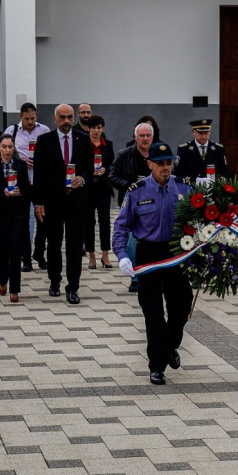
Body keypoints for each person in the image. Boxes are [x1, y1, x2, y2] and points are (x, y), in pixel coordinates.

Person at [114, 144, 193, 385]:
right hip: (148, 254)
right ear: (150, 164)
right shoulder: (136, 190)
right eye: (160, 163)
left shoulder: (184, 188)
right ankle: (156, 366)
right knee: (153, 313)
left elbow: (199, 220)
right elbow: (121, 225)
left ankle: (170, 345)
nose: (165, 167)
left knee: (182, 305)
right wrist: (122, 255)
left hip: (176, 253)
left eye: (168, 162)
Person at [33, 104, 93, 303]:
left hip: (77, 201)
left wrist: (82, 179)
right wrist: (38, 203)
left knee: (75, 245)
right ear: (55, 118)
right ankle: (54, 280)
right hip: (53, 201)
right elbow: (39, 174)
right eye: (62, 118)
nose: (66, 121)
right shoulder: (44, 141)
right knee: (54, 243)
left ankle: (73, 287)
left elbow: (89, 167)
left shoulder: (83, 139)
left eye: (69, 117)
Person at [0, 133, 31, 303]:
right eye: (4, 147)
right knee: (2, 250)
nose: (8, 150)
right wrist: (2, 191)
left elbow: (26, 188)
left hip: (17, 213)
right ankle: (3, 279)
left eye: (10, 147)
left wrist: (20, 192)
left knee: (16, 249)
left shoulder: (20, 165)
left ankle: (14, 289)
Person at [4, 103, 51, 271]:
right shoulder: (12, 131)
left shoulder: (44, 130)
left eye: (32, 118)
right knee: (23, 220)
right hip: (22, 181)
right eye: (27, 119)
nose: (30, 122)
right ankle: (25, 258)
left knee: (43, 220)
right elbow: (6, 153)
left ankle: (39, 253)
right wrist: (21, 161)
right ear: (20, 117)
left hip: (40, 181)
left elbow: (51, 151)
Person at [109, 121, 154, 292]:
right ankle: (135, 276)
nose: (144, 139)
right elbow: (112, 175)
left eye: (148, 136)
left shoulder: (157, 154)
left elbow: (168, 172)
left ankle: (152, 274)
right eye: (141, 135)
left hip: (155, 205)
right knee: (132, 242)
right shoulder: (124, 154)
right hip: (131, 205)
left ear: (152, 137)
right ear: (135, 137)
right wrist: (130, 185)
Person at [84, 115, 115, 270]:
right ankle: (91, 255)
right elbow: (80, 165)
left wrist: (105, 170)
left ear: (102, 128)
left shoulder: (107, 144)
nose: (96, 131)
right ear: (88, 129)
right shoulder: (84, 144)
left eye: (99, 128)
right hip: (88, 188)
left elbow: (112, 166)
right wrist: (91, 172)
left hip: (103, 187)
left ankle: (105, 254)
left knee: (105, 220)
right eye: (93, 128)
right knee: (89, 222)